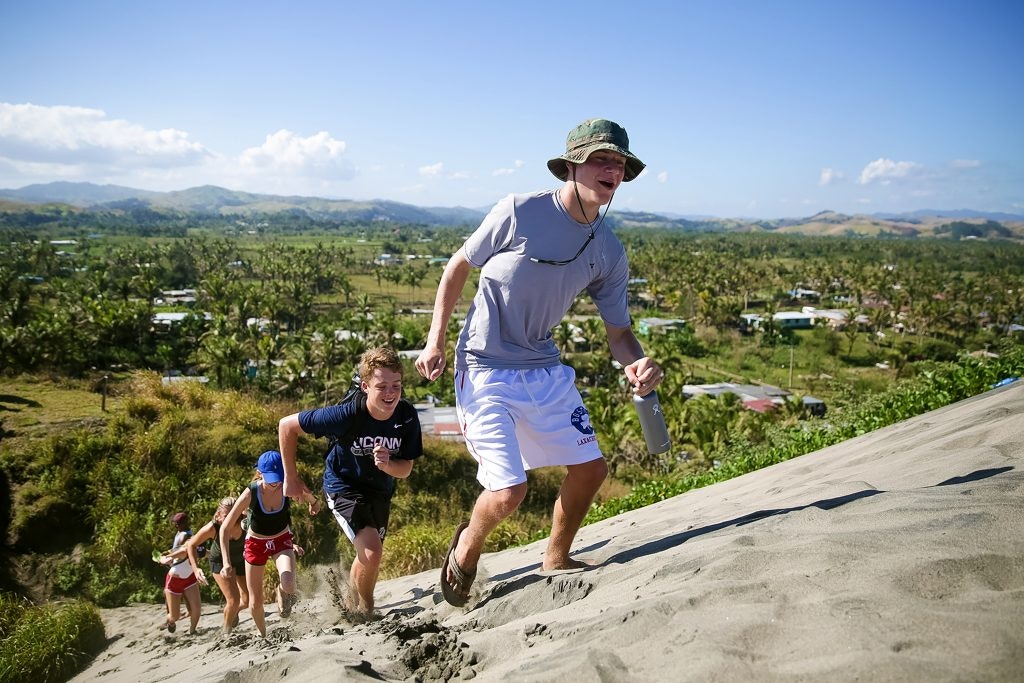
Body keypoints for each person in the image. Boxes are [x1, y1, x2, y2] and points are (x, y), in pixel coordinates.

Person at [415, 118, 665, 607]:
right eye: (601, 159)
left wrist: (637, 364)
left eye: (619, 163)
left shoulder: (609, 251)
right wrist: (435, 341)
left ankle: (556, 556)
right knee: (509, 492)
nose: (611, 169)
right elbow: (458, 267)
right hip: (483, 363)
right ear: (572, 165)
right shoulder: (519, 211)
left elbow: (619, 334)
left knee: (590, 470)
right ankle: (468, 542)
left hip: (542, 366)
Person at [280, 346, 423, 618]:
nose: (391, 393)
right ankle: (367, 610)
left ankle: (349, 603)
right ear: (366, 386)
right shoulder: (346, 414)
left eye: (397, 385)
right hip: (343, 486)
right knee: (371, 552)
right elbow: (287, 425)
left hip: (380, 491)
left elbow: (405, 469)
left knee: (370, 555)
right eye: (382, 387)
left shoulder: (406, 416)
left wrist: (387, 464)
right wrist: (291, 477)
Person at [220, 450, 320, 637]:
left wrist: (313, 502)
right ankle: (262, 634)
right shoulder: (251, 492)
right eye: (271, 479)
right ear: (260, 474)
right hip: (255, 544)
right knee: (255, 601)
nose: (276, 483)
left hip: (281, 540)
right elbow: (224, 528)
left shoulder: (286, 484)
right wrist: (226, 562)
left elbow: (309, 496)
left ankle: (281, 591)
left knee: (290, 584)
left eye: (279, 478)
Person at [184, 497, 250, 634]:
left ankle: (233, 612)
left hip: (239, 559)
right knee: (233, 600)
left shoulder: (245, 522)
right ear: (219, 515)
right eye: (226, 516)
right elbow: (191, 545)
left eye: (234, 515)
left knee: (247, 600)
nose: (230, 519)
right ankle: (226, 631)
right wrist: (196, 570)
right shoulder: (213, 527)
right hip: (220, 562)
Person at [157, 511, 201, 634]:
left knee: (196, 608)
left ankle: (192, 631)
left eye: (178, 523)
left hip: (188, 575)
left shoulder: (186, 535)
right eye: (175, 524)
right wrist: (169, 556)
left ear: (185, 522)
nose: (176, 526)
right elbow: (180, 551)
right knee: (174, 616)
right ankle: (170, 620)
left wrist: (168, 556)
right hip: (176, 575)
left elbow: (184, 551)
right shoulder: (181, 534)